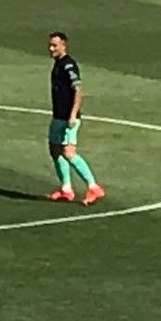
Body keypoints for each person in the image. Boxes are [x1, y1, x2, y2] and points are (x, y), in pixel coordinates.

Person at [47, 32, 104, 205]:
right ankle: (66, 189)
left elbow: (78, 90)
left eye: (55, 45)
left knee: (68, 152)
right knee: (55, 150)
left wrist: (72, 115)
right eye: (50, 45)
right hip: (58, 116)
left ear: (63, 45)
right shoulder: (57, 64)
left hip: (67, 118)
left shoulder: (68, 65)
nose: (51, 49)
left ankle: (93, 187)